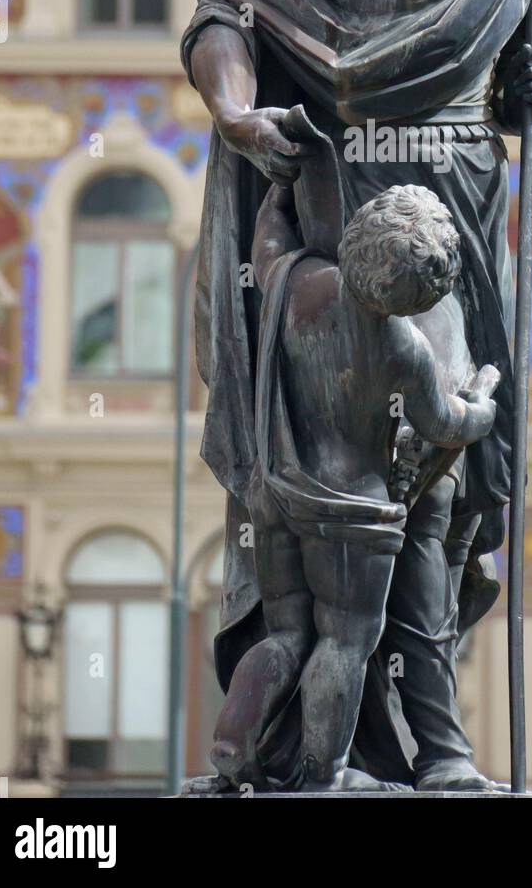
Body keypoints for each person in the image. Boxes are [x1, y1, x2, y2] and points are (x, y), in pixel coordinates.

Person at [182, 0, 532, 788]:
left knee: (448, 503)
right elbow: (227, 8)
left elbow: (507, 78)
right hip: (343, 222)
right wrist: (236, 108)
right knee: (354, 494)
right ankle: (316, 756)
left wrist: (527, 91)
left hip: (462, 227)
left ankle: (434, 754)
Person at [210, 182, 499, 792]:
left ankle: (231, 739)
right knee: (344, 642)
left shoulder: (301, 285)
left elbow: (267, 248)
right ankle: (328, 773)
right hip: (354, 515)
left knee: (288, 633)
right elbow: (445, 424)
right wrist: (482, 405)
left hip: (277, 492)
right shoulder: (405, 348)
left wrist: (278, 196)